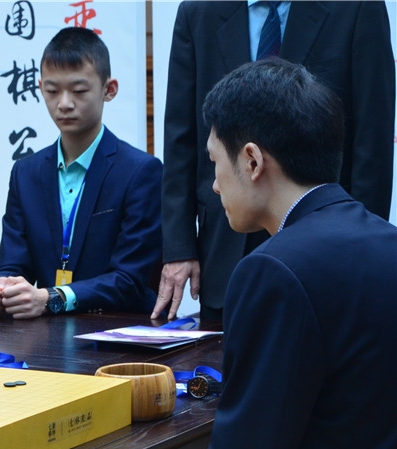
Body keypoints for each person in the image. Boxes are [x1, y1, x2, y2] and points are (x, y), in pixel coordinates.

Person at [45, 57, 397, 449]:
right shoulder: (385, 241)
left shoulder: (274, 270)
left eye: (214, 163)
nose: (212, 185)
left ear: (252, 161)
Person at [153, 0, 395, 322]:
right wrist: (180, 248)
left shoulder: (356, 8)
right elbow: (180, 138)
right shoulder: (198, 12)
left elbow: (373, 140)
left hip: (325, 245)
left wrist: (362, 251)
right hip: (224, 247)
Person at [0, 27, 162, 319]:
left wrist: (52, 298)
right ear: (40, 88)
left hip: (118, 330)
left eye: (78, 91)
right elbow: (13, 263)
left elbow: (129, 280)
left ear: (109, 89)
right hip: (46, 334)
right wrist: (0, 289)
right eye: (52, 91)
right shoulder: (26, 173)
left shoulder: (141, 171)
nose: (64, 103)